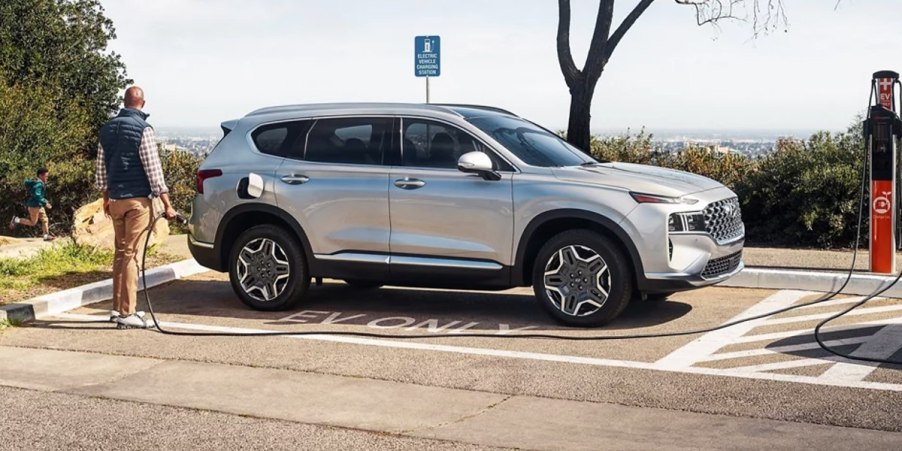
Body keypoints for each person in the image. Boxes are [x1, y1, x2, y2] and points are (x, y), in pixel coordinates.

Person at [95, 85, 177, 329]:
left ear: (124, 102)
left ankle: (116, 308)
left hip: (116, 201)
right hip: (137, 201)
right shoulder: (144, 129)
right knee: (131, 254)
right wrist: (168, 205)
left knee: (120, 253)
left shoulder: (107, 129)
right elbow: (154, 171)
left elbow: (101, 171)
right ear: (142, 103)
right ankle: (128, 312)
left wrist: (106, 199)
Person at [8, 167, 55, 241]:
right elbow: (37, 195)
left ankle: (46, 235)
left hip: (38, 205)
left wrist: (44, 201)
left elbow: (37, 195)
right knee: (33, 222)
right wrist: (45, 203)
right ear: (40, 176)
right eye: (46, 176)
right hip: (34, 206)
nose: (47, 178)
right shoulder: (39, 184)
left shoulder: (38, 183)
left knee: (45, 219)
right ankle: (16, 220)